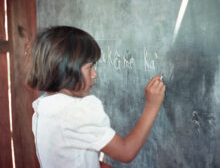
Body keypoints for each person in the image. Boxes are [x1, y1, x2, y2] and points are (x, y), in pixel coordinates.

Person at [26, 26, 166, 168]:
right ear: (68, 70)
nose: (95, 74)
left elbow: (72, 157)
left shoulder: (42, 108)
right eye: (90, 67)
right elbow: (126, 152)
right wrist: (152, 106)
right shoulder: (76, 113)